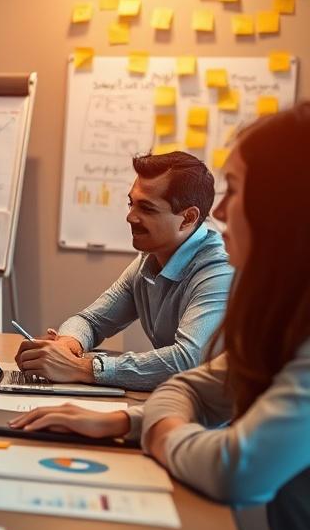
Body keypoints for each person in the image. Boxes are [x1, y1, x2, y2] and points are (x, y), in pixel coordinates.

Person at [10, 104, 310, 530]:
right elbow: (190, 385)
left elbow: (233, 466)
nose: (223, 211)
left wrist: (142, 417)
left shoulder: (223, 270)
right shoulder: (285, 310)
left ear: (285, 208)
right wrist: (125, 415)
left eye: (237, 190)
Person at [16, 151, 232, 390]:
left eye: (147, 209)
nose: (130, 217)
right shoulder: (148, 260)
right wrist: (68, 345)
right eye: (131, 203)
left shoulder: (219, 270)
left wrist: (83, 369)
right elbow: (91, 321)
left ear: (188, 218)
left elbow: (186, 360)